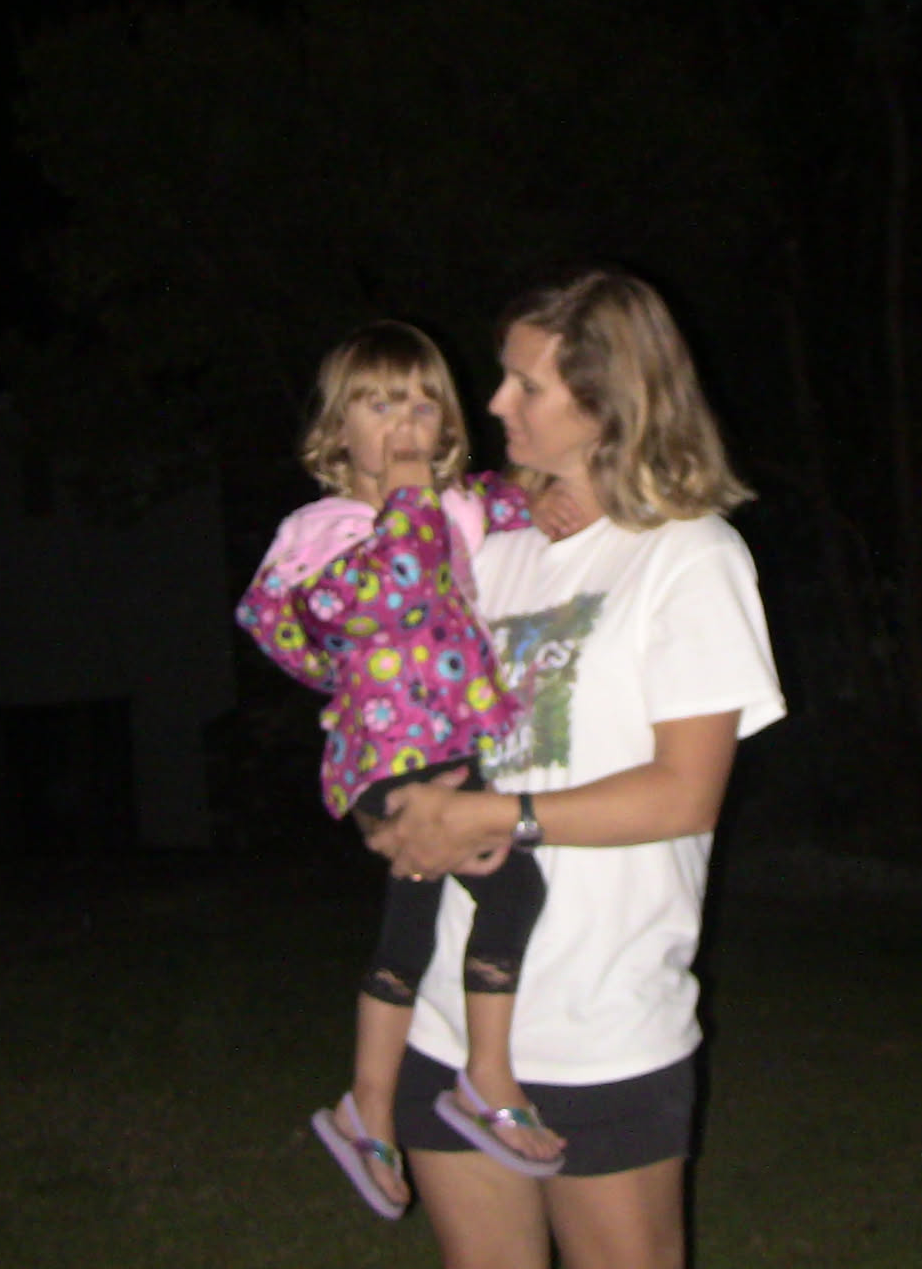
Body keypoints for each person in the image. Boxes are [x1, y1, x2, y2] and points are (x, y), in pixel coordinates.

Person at [366, 268, 786, 1269]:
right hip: (449, 1026)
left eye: (527, 385)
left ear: (608, 404)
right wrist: (404, 814)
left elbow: (686, 793)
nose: (494, 402)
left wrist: (491, 818)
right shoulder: (492, 552)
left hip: (602, 1027)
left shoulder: (690, 558)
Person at [234, 320, 573, 1221]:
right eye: (381, 405)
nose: (407, 424)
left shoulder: (454, 505)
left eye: (424, 404)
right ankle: (486, 1076)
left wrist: (537, 498)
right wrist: (412, 495)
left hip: (454, 751)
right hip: (387, 753)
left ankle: (368, 1106)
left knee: (410, 930)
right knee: (513, 888)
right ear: (337, 428)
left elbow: (515, 498)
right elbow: (392, 588)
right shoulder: (322, 530)